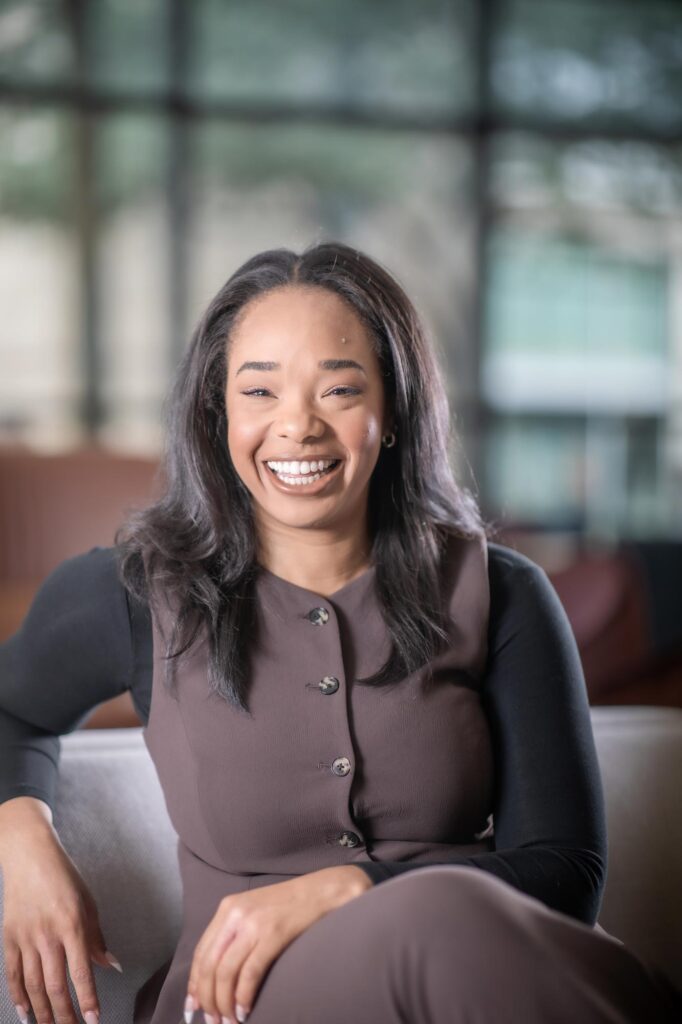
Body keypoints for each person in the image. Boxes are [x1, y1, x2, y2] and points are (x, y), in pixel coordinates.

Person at [0, 241, 680, 1024]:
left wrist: (348, 886)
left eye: (339, 390)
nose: (297, 426)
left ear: (391, 413)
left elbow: (565, 870)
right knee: (452, 927)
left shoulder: (504, 594)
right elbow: (11, 708)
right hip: (244, 998)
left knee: (458, 929)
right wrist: (23, 833)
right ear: (218, 414)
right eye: (259, 391)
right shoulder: (135, 592)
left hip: (476, 972)